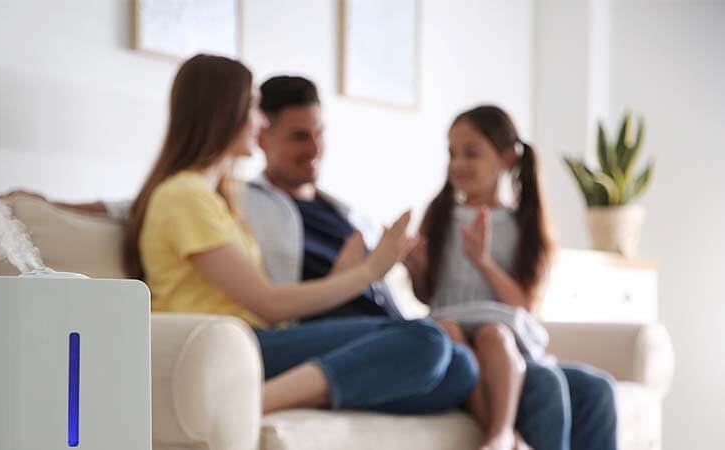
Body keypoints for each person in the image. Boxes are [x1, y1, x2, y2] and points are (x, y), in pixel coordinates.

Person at [124, 53, 478, 415]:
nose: (260, 121)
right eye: (254, 109)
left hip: (259, 340)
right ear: (225, 113)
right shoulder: (184, 195)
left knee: (460, 369)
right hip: (232, 344)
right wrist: (369, 272)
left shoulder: (217, 197)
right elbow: (269, 303)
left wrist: (346, 275)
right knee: (426, 340)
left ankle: (320, 387)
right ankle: (247, 405)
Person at [406, 105, 618, 450]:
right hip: (454, 333)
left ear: (506, 159)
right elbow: (429, 295)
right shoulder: (441, 214)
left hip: (503, 338)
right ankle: (501, 434)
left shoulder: (525, 223)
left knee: (598, 387)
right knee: (545, 383)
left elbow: (525, 304)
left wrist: (482, 261)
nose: (458, 164)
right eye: (452, 154)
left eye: (471, 153)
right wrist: (415, 268)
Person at [243, 75, 401, 321]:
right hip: (330, 334)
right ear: (261, 137)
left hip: (388, 326)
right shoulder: (244, 207)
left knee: (454, 348)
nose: (315, 149)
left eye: (319, 133)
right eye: (300, 137)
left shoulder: (346, 213)